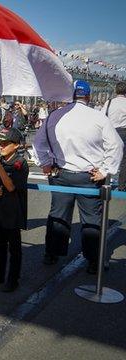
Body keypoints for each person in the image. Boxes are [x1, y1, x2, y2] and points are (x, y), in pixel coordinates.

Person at [33, 80, 123, 274]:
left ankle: (52, 253)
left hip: (61, 173)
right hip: (89, 176)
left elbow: (38, 142)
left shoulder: (54, 116)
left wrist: (45, 163)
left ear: (70, 95)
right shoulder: (98, 118)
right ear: (88, 97)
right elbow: (116, 146)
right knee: (91, 219)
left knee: (58, 215)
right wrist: (106, 170)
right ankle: (93, 260)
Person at [0, 128, 29, 292]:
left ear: (16, 145)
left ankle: (13, 278)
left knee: (15, 247)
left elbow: (11, 186)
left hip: (13, 210)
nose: (1, 146)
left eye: (5, 143)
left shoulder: (19, 163)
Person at [102, 81, 126, 191]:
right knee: (124, 161)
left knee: (108, 157)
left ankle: (105, 183)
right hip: (124, 132)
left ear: (116, 91)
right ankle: (122, 186)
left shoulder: (109, 102)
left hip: (110, 131)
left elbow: (101, 116)